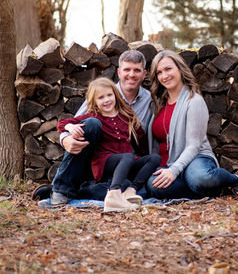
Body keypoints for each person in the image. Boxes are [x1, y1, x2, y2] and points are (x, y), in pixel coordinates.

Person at [38, 50, 153, 205]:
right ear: (119, 72)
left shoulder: (149, 102)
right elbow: (74, 124)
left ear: (144, 73)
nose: (131, 75)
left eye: (137, 70)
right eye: (127, 70)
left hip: (122, 167)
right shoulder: (102, 92)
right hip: (96, 161)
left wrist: (144, 160)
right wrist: (66, 136)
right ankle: (62, 188)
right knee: (92, 123)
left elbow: (143, 138)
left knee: (128, 184)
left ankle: (77, 191)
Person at [145, 50, 238, 199]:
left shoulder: (193, 101)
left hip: (195, 159)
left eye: (168, 69)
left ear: (180, 69)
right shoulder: (157, 105)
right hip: (167, 164)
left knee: (201, 179)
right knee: (153, 185)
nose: (164, 76)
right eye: (159, 72)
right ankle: (219, 190)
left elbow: (194, 145)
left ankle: (237, 180)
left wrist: (174, 171)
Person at [55, 77, 160, 212]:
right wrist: (70, 127)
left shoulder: (126, 115)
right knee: (127, 157)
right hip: (105, 162)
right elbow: (62, 123)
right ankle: (113, 195)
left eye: (109, 95)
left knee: (154, 158)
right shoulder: (93, 116)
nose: (106, 100)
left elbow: (140, 139)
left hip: (125, 162)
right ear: (94, 101)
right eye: (101, 98)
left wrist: (144, 159)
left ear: (115, 95)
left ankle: (130, 191)